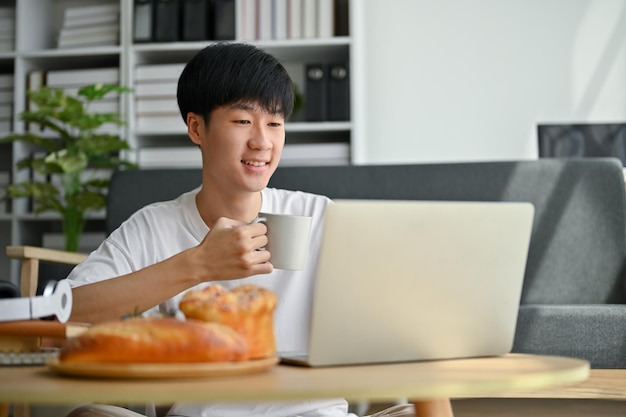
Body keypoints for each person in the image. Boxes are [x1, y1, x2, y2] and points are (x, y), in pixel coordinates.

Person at [64, 42, 415, 417]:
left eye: (275, 124)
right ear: (197, 127)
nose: (262, 142)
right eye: (243, 121)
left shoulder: (319, 215)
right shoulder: (154, 226)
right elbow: (61, 315)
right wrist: (197, 265)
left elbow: (404, 313)